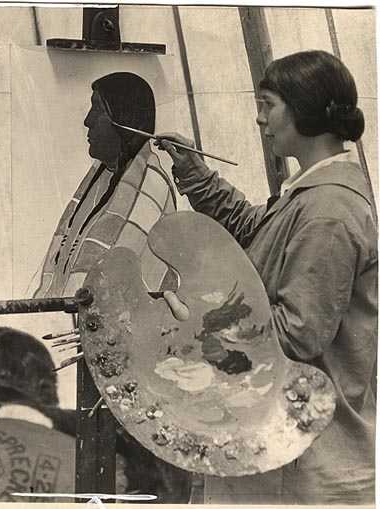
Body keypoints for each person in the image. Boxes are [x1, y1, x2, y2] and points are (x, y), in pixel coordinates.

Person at [156, 50, 376, 504]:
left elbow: (298, 334)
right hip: (283, 445)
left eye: (267, 105)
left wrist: (196, 318)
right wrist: (195, 175)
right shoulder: (310, 195)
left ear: (305, 108)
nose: (259, 119)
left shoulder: (329, 210)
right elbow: (260, 231)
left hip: (305, 464)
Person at [34, 72, 181, 299]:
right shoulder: (102, 176)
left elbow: (122, 292)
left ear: (123, 121)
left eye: (97, 110)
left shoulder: (150, 188)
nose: (87, 120)